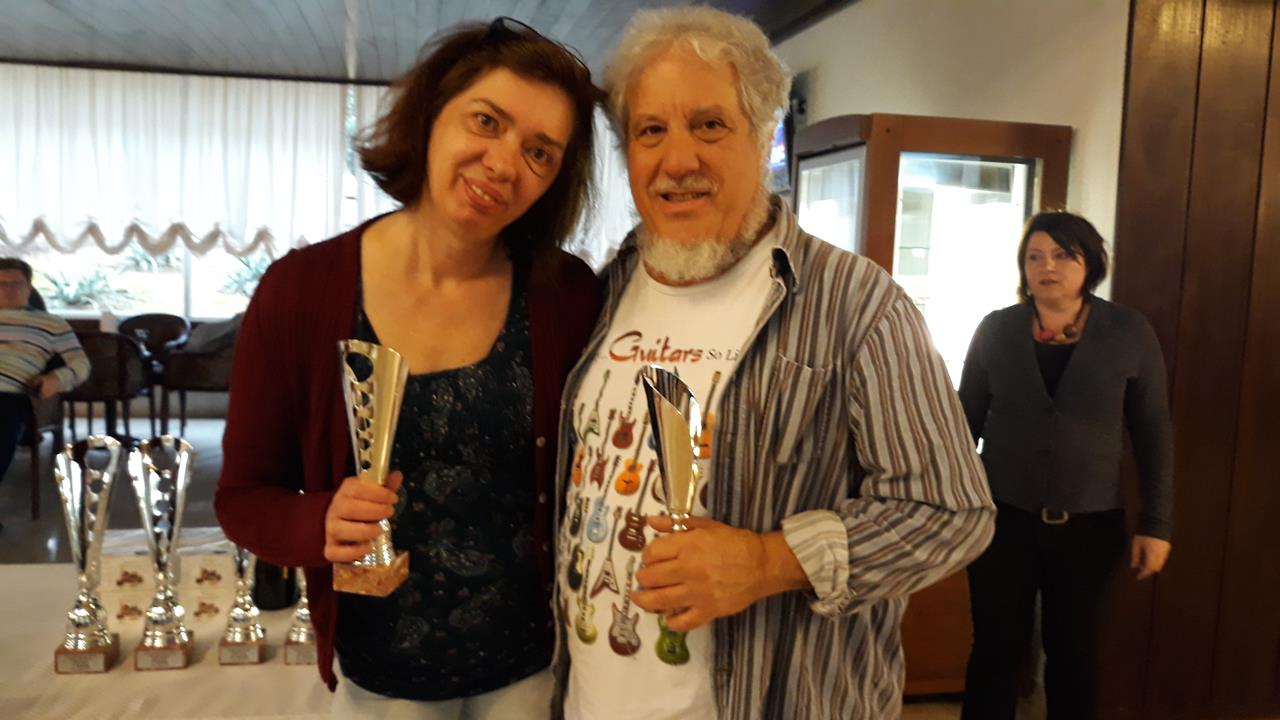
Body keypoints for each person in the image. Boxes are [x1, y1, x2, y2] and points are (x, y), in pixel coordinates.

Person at [551, 8, 995, 720]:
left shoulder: (857, 304)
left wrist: (769, 562)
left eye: (709, 125)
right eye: (651, 131)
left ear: (763, 137)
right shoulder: (601, 293)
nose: (677, 161)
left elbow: (951, 511)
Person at [214, 18, 603, 719]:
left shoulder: (567, 295)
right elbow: (242, 498)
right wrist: (319, 523)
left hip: (532, 666)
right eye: (486, 121)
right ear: (431, 116)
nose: (504, 164)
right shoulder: (301, 290)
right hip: (381, 676)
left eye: (540, 152)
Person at [957, 211, 1174, 720]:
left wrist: (1156, 525)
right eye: (1034, 256)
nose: (1046, 266)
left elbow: (1154, 434)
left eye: (1061, 255)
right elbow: (961, 427)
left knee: (1075, 657)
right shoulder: (996, 330)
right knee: (994, 651)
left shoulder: (1129, 332)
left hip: (1090, 527)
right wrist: (952, 509)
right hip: (1002, 520)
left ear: (1090, 263)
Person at [0, 258, 89, 483]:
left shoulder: (52, 324)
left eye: (17, 284)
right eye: (2, 284)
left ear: (29, 288)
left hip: (8, 393)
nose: (9, 290)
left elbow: (81, 364)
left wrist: (56, 379)